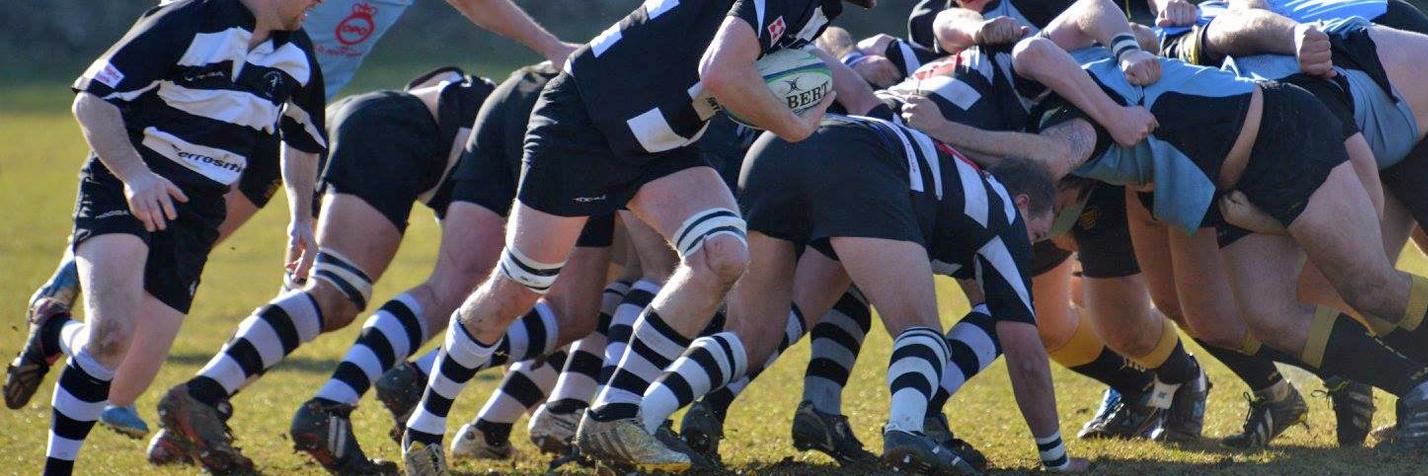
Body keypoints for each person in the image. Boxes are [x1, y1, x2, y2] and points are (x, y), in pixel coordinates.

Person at [21, 0, 585, 440]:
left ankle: (110, 359)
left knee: (159, 308)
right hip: (220, 103)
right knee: (156, 238)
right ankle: (73, 294)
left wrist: (550, 44)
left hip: (292, 117)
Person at [1, 0, 327, 473]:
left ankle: (53, 329)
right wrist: (136, 177)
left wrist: (301, 218)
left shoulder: (297, 55)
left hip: (198, 213)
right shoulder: (187, 19)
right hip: (127, 181)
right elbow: (92, 100)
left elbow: (303, 137)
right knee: (112, 335)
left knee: (121, 369)